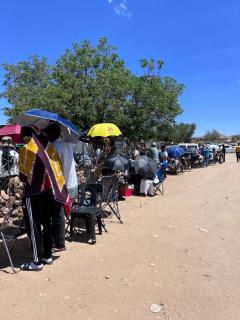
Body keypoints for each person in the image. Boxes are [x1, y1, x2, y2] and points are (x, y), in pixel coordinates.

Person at [19, 126, 71, 271]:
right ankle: (47, 255)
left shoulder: (26, 149)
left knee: (34, 228)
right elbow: (57, 168)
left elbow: (23, 176)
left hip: (33, 194)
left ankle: (36, 262)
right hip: (49, 193)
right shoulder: (49, 147)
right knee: (47, 225)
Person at [44, 123, 78, 252]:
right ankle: (58, 239)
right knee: (59, 214)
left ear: (52, 134)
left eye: (47, 133)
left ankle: (59, 244)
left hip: (62, 186)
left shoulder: (54, 147)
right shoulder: (66, 145)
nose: (46, 136)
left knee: (57, 214)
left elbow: (54, 170)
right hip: (72, 184)